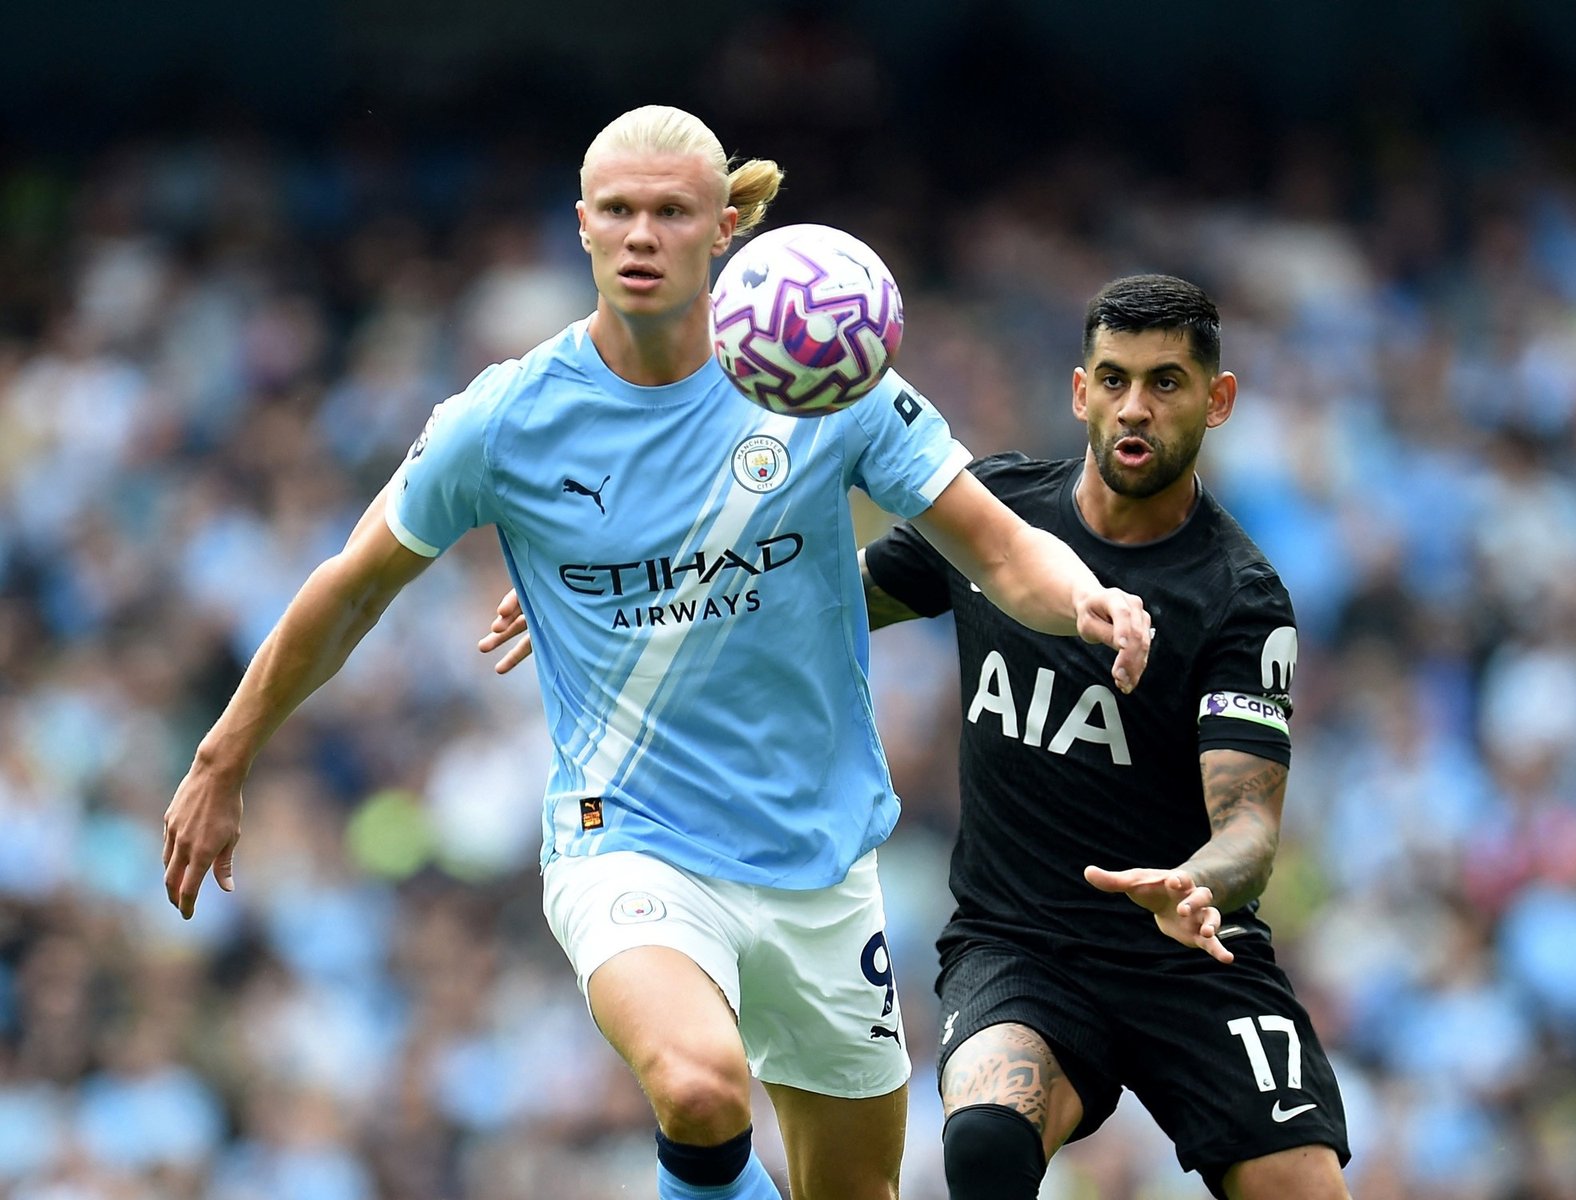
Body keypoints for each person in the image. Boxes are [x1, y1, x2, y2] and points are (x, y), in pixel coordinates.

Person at [161, 105, 1152, 1200]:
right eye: (619, 211)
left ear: (724, 226)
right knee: (697, 1087)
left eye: (670, 212)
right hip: (628, 838)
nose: (641, 234)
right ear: (582, 225)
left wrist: (1089, 600)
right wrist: (223, 757)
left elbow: (1004, 554)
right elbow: (350, 588)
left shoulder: (823, 380)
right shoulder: (506, 420)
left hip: (820, 857)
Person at [863, 274, 1353, 1199]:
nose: (1137, 407)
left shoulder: (1239, 598)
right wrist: (623, 601)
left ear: (1218, 401)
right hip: (1020, 945)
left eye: (1166, 383)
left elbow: (1248, 827)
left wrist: (1192, 882)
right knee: (981, 1143)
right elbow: (827, 601)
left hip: (1188, 953)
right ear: (1079, 390)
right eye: (1115, 378)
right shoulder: (996, 519)